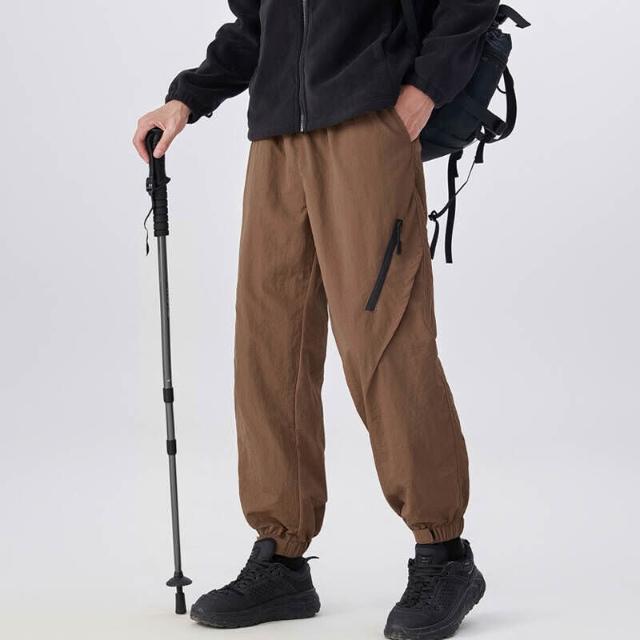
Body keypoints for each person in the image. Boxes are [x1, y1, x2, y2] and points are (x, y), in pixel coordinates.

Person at [133, 1, 499, 638]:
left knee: (385, 339)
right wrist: (187, 98)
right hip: (276, 138)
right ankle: (282, 556)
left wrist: (424, 90)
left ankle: (443, 554)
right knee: (269, 343)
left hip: (368, 122)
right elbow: (258, 24)